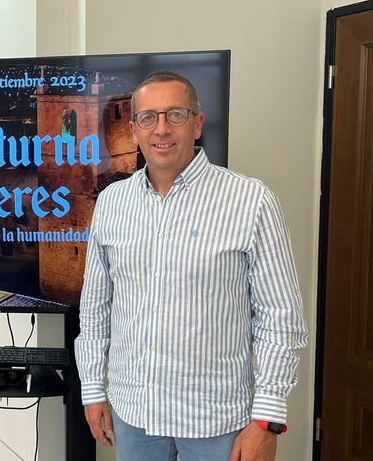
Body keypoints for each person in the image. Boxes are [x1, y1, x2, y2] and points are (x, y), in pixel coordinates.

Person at [75, 71, 308, 461]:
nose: (161, 129)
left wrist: (267, 419)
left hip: (218, 422)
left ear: (197, 125)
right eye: (149, 118)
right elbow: (97, 308)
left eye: (176, 115)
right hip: (134, 414)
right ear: (133, 130)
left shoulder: (251, 201)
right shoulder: (112, 202)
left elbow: (281, 319)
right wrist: (94, 388)